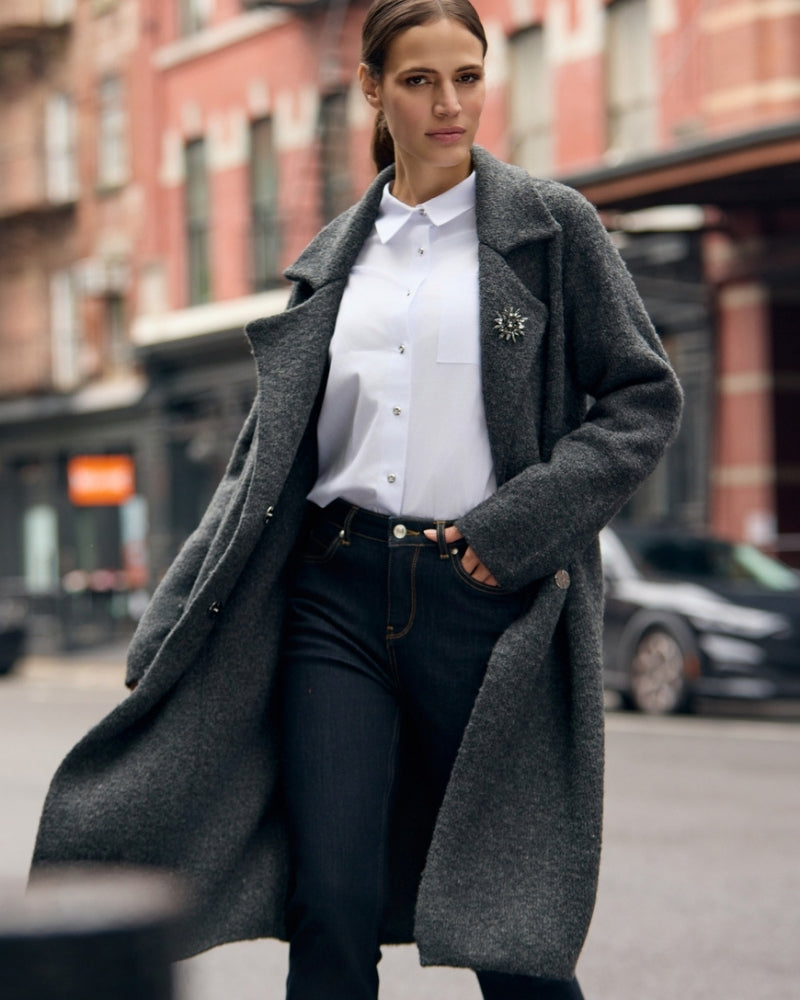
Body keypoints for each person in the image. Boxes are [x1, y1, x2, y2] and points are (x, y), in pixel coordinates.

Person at [31, 0, 683, 996]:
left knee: (511, 924)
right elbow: (264, 462)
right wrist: (167, 624)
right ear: (373, 90)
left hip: (484, 600)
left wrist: (507, 531)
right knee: (327, 907)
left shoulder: (550, 229)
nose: (448, 103)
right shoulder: (335, 257)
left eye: (467, 76)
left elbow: (642, 400)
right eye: (420, 80)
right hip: (332, 597)